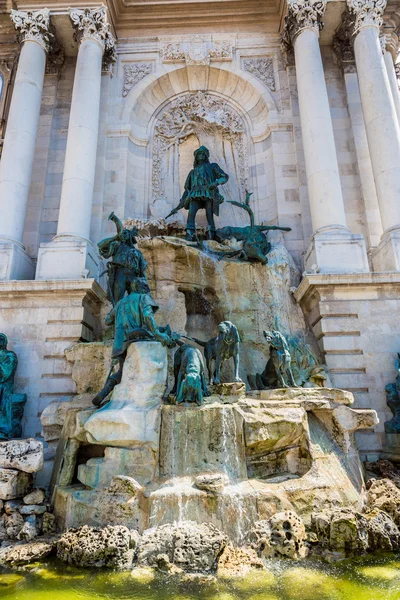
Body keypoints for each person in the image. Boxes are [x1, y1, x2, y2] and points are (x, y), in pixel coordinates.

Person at [92, 278, 177, 407]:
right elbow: (148, 316)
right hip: (138, 338)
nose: (147, 291)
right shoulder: (143, 298)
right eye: (146, 288)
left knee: (123, 370)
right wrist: (157, 333)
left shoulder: (120, 303)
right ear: (141, 288)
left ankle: (104, 392)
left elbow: (108, 320)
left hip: (121, 343)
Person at [166, 146, 228, 241]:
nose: (201, 155)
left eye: (203, 154)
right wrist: (180, 204)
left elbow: (224, 177)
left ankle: (211, 236)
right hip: (195, 194)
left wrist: (215, 183)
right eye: (199, 154)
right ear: (196, 157)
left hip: (208, 193)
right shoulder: (192, 172)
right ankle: (189, 235)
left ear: (206, 156)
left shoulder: (213, 166)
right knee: (191, 214)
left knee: (209, 215)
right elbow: (187, 189)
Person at [98, 212, 147, 304]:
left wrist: (144, 283)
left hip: (133, 276)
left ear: (129, 237)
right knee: (117, 301)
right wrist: (115, 237)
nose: (123, 235)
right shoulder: (116, 246)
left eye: (125, 234)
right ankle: (116, 316)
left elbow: (142, 270)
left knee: (136, 301)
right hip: (120, 274)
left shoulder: (137, 252)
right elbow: (100, 245)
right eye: (122, 234)